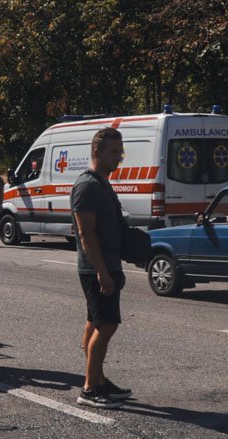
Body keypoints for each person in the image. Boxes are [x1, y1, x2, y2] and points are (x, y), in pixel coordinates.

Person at [71, 127, 132, 408]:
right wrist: (102, 271)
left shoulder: (102, 183)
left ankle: (98, 379)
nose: (118, 157)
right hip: (97, 267)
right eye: (112, 152)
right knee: (107, 324)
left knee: (95, 322)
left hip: (107, 263)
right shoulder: (87, 185)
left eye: (119, 152)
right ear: (96, 152)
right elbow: (86, 234)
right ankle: (89, 389)